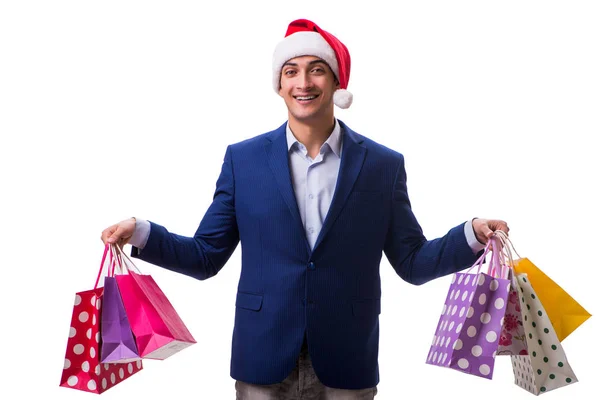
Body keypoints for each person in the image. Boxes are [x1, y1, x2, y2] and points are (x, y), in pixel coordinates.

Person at [101, 18, 509, 400]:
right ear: (279, 84)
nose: (304, 82)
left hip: (348, 358)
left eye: (316, 69)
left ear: (335, 82)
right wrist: (140, 231)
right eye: (291, 71)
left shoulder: (383, 165)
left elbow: (412, 262)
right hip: (263, 356)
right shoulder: (243, 161)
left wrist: (471, 234)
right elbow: (205, 256)